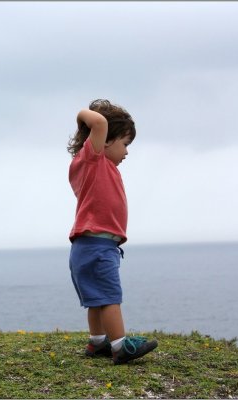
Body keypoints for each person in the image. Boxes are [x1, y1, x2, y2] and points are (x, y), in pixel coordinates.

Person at [67, 99, 157, 365]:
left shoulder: (98, 166)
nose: (127, 152)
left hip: (88, 246)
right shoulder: (93, 160)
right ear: (105, 140)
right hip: (97, 246)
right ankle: (120, 346)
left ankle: (97, 342)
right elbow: (99, 122)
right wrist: (81, 114)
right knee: (109, 297)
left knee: (96, 299)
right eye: (125, 144)